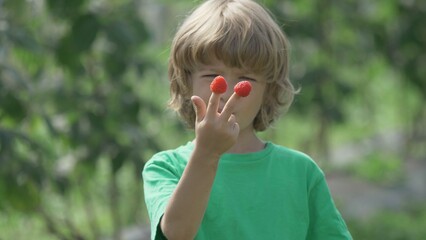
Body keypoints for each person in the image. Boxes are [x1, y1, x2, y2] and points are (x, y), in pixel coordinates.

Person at [142, 0, 352, 239]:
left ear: (269, 91)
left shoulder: (301, 173)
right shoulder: (165, 168)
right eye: (211, 75)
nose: (227, 92)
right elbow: (177, 234)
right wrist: (207, 152)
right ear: (185, 82)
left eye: (245, 79)